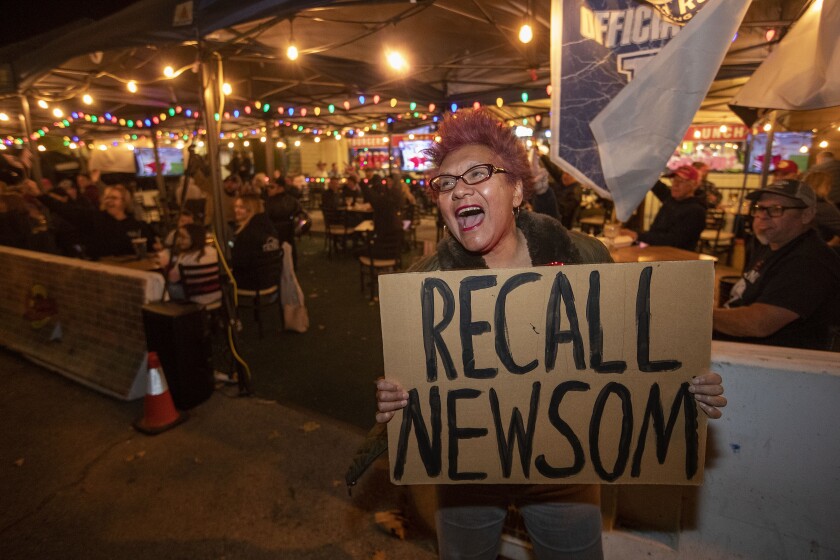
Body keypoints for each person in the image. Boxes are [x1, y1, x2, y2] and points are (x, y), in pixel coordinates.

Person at [372, 109, 727, 560]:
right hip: (467, 476)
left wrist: (685, 388)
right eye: (445, 183)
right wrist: (392, 400)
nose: (459, 188)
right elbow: (413, 384)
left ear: (517, 189)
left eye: (477, 174)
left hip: (566, 477)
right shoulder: (425, 283)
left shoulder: (583, 256)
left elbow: (630, 357)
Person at [713, 179, 840, 350]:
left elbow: (759, 324)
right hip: (740, 348)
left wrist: (697, 317)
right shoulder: (772, 244)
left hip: (775, 362)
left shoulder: (809, 261)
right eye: (759, 208)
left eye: (775, 209)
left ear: (806, 215)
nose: (762, 216)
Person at [32, 182, 156, 258]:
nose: (109, 201)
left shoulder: (136, 225)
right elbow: (65, 210)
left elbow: (152, 246)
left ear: (124, 202)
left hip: (135, 270)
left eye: (114, 198)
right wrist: (39, 195)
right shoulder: (94, 218)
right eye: (107, 198)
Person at [620, 165, 707, 251]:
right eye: (674, 180)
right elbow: (654, 183)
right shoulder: (672, 199)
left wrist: (637, 235)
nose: (676, 185)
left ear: (694, 185)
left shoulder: (696, 211)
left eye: (681, 181)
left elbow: (673, 240)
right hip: (656, 252)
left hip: (677, 258)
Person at [157, 223, 219, 306]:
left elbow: (172, 279)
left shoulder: (186, 258)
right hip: (216, 294)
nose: (179, 240)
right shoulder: (214, 252)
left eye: (183, 237)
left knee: (165, 287)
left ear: (194, 238)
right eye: (179, 236)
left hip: (196, 298)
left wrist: (165, 265)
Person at [230, 193, 281, 291]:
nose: (236, 210)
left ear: (251, 209)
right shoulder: (269, 228)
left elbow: (239, 262)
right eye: (236, 206)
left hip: (253, 282)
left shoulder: (248, 233)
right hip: (272, 278)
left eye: (241, 207)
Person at [265, 178, 302, 267]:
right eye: (268, 187)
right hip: (285, 231)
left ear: (281, 188)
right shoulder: (291, 200)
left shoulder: (272, 202)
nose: (268, 189)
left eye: (272, 187)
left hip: (279, 231)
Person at [801, 170, 840, 245]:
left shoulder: (799, 203)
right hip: (817, 250)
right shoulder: (824, 207)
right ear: (825, 187)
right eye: (829, 185)